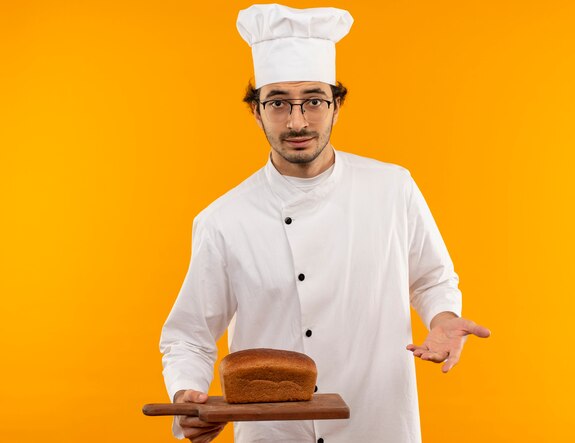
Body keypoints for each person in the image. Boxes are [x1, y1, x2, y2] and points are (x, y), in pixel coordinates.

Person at [159, 4, 491, 443]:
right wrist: (189, 396)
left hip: (377, 425)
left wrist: (443, 316)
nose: (297, 121)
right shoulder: (223, 220)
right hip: (274, 433)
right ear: (256, 112)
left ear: (336, 105)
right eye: (278, 102)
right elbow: (189, 336)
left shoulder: (392, 188)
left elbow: (432, 279)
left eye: (313, 100)